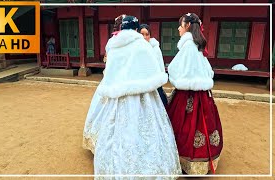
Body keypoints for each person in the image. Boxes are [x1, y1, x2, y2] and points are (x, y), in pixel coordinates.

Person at [83, 15, 182, 178]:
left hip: (119, 99)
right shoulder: (143, 46)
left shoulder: (114, 47)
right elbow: (153, 72)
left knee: (117, 133)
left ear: (122, 28)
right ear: (136, 29)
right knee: (148, 133)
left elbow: (110, 73)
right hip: (145, 99)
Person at [166, 12, 223, 175]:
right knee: (204, 126)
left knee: (184, 127)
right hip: (203, 95)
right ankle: (204, 160)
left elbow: (175, 68)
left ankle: (186, 160)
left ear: (188, 26)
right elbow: (208, 71)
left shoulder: (188, 47)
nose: (178, 28)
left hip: (186, 95)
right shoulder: (198, 47)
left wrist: (174, 76)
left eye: (180, 24)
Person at [138, 24, 168, 106]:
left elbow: (160, 66)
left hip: (154, 82)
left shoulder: (155, 48)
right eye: (142, 34)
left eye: (147, 34)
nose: (144, 37)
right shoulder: (135, 48)